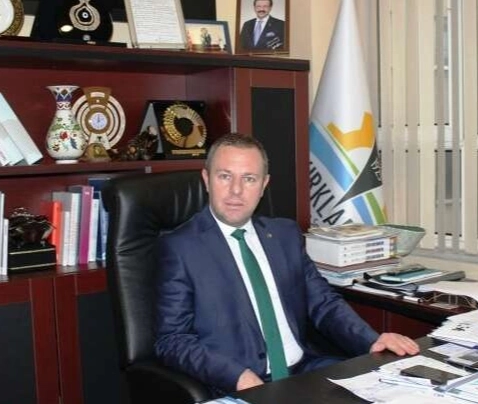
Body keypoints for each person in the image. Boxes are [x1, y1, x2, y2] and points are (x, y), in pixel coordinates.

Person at [154, 133, 419, 394]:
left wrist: (372, 339)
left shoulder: (285, 235)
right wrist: (237, 376)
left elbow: (323, 303)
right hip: (238, 384)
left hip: (306, 371)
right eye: (225, 176)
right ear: (206, 179)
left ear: (264, 185)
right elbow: (172, 339)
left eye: (249, 179)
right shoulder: (180, 248)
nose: (236, 190)